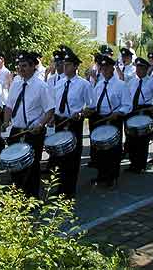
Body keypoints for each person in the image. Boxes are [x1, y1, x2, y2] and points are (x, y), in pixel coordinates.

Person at [2, 51, 55, 197]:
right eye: (19, 66)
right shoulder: (16, 83)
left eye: (24, 66)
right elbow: (9, 106)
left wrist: (40, 124)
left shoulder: (41, 86)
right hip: (17, 129)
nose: (20, 69)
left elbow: (50, 109)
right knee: (14, 164)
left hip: (33, 131)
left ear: (33, 67)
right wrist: (6, 121)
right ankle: (17, 196)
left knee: (31, 166)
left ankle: (32, 198)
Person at [52, 49, 93, 197]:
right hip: (59, 122)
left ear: (75, 67)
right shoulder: (59, 83)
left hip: (73, 122)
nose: (65, 67)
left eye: (68, 65)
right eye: (64, 64)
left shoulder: (83, 84)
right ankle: (60, 187)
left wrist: (82, 113)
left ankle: (69, 190)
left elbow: (91, 106)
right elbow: (54, 103)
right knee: (59, 157)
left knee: (72, 157)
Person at [87, 54, 132, 186]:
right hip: (99, 118)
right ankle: (101, 175)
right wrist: (89, 110)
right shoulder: (99, 84)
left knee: (113, 150)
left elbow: (127, 105)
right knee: (99, 149)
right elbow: (94, 102)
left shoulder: (121, 85)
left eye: (107, 68)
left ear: (113, 68)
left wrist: (118, 113)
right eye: (102, 68)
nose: (104, 70)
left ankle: (112, 177)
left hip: (113, 119)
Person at [126, 57, 153, 173]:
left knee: (142, 140)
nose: (138, 70)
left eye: (141, 68)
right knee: (131, 138)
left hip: (145, 110)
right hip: (132, 111)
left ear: (146, 69)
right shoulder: (132, 81)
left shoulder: (152, 82)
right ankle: (133, 163)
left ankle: (141, 165)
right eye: (137, 68)